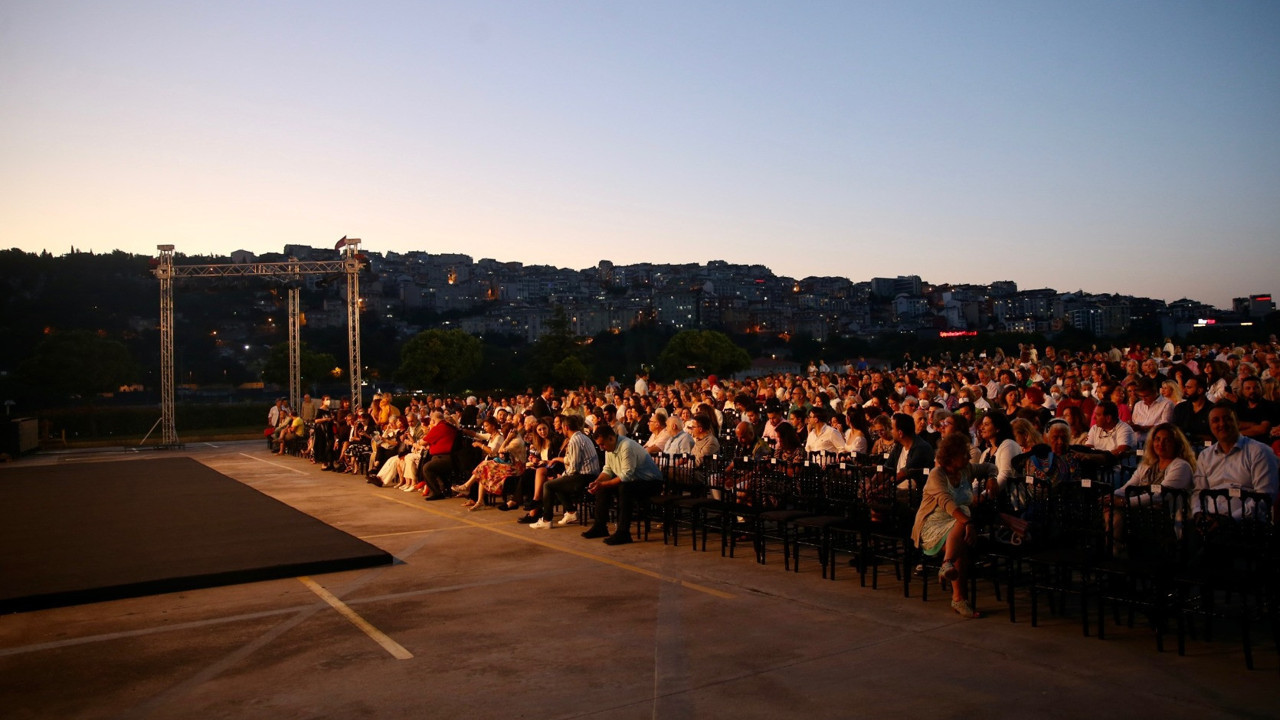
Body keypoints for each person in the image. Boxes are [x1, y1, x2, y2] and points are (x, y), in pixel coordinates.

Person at [911, 433, 990, 619]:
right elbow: (947, 503)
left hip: (956, 524)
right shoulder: (937, 474)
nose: (968, 457)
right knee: (962, 527)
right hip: (933, 525)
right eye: (964, 454)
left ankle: (948, 569)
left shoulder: (966, 470)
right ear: (952, 456)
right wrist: (968, 522)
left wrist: (992, 478)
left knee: (960, 539)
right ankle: (958, 597)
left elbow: (990, 467)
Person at [1191, 403, 1279, 520]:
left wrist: (1231, 520)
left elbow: (1265, 496)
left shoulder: (1259, 452)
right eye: (1216, 420)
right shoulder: (1205, 456)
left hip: (1247, 524)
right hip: (1211, 522)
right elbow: (1198, 492)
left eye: (1227, 419)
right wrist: (1198, 513)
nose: (1222, 424)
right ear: (1210, 426)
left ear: (1237, 422)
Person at [580, 424, 664, 545]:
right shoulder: (610, 448)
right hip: (634, 481)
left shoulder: (626, 446)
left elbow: (626, 476)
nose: (601, 448)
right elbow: (608, 470)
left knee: (624, 488)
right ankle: (600, 526)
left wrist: (603, 484)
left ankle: (623, 532)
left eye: (602, 444)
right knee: (603, 488)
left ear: (611, 438)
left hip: (651, 483)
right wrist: (597, 482)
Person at [527, 414, 602, 528]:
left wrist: (562, 475)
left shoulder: (575, 440)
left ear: (566, 427)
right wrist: (557, 461)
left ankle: (546, 520)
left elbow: (574, 467)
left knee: (548, 485)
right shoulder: (582, 437)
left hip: (585, 477)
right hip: (588, 475)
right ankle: (571, 512)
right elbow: (571, 459)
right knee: (556, 484)